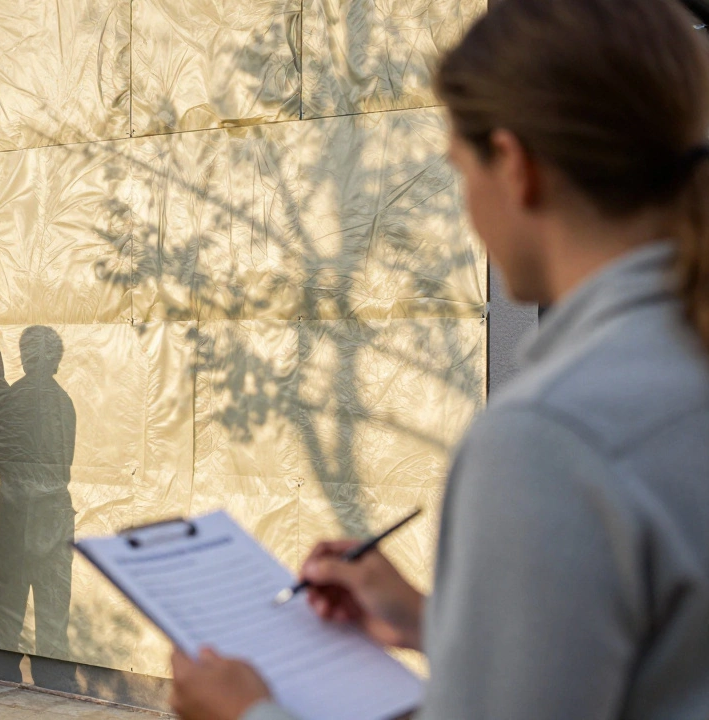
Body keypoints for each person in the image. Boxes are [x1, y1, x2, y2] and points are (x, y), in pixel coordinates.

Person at [168, 1, 709, 718]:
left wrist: (248, 715)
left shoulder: (549, 438)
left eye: (460, 169)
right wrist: (435, 624)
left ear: (515, 168)